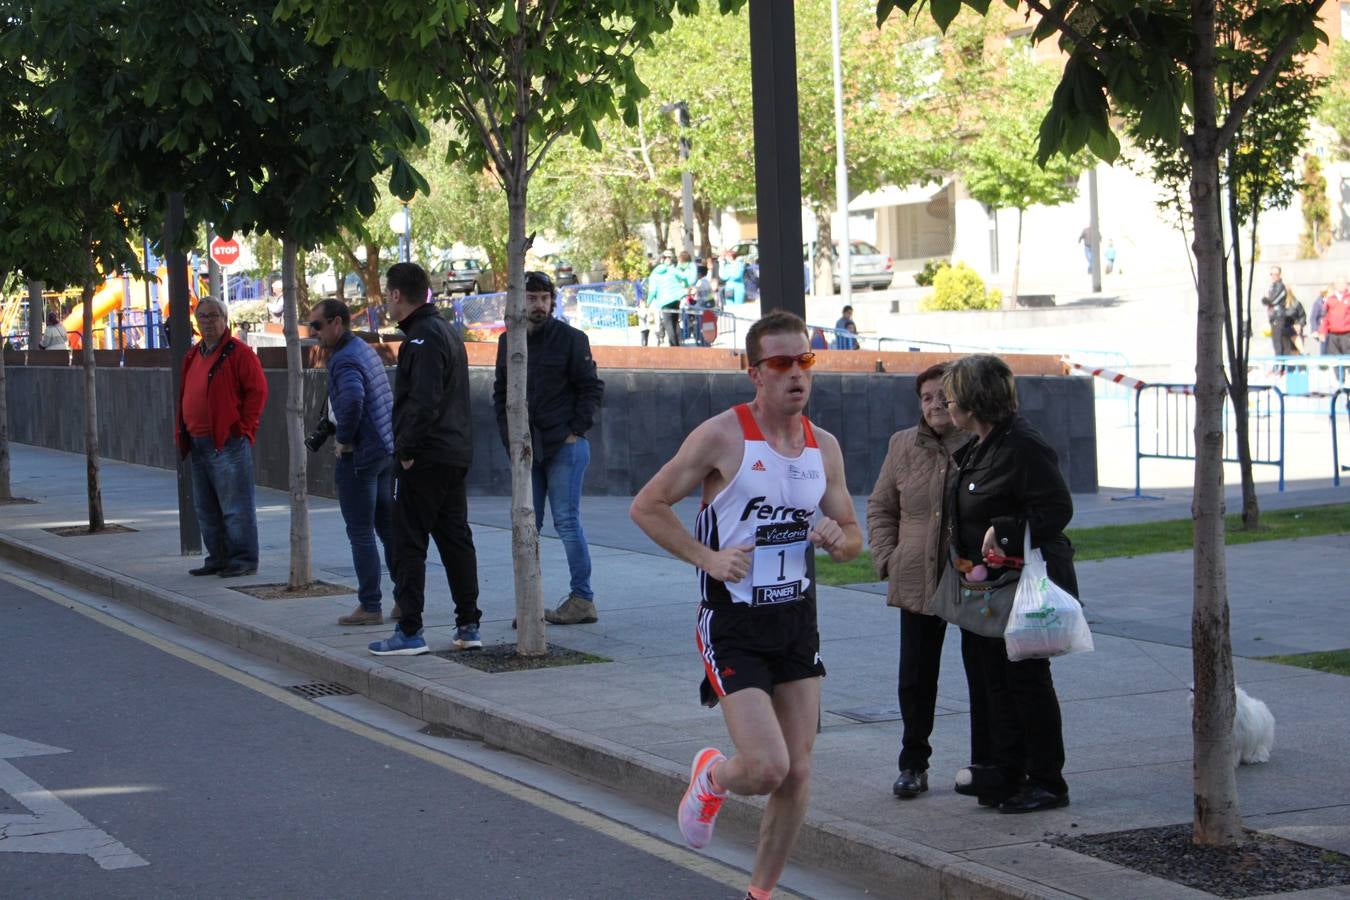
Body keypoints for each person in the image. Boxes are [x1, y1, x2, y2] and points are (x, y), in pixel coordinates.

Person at [629, 311, 862, 900]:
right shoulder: (722, 436)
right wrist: (705, 557)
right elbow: (648, 505)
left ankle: (760, 893)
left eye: (804, 360)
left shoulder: (824, 447)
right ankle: (712, 776)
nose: (795, 374)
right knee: (764, 768)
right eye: (780, 363)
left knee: (799, 771)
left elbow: (853, 535)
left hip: (795, 620)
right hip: (732, 620)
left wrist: (839, 541)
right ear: (753, 371)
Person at [943, 354, 1076, 814]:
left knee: (1025, 681)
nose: (947, 402)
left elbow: (1056, 510)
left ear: (975, 401)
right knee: (990, 681)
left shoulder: (1021, 445)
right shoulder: (983, 443)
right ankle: (1005, 769)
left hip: (1019, 588)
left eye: (953, 395)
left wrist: (1001, 531)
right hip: (986, 589)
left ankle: (1046, 780)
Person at [865, 363, 975, 800]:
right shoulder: (902, 444)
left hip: (972, 580)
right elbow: (880, 506)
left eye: (940, 396)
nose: (933, 405)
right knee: (915, 676)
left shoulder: (979, 441)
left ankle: (985, 763)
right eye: (925, 397)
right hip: (916, 576)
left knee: (982, 674)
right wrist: (888, 558)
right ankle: (913, 764)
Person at [369, 262, 482, 656]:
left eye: (388, 294)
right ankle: (468, 624)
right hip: (453, 453)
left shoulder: (421, 338)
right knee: (455, 539)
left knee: (408, 542)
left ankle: (410, 629)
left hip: (426, 456)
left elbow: (424, 400)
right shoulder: (446, 331)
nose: (386, 300)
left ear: (398, 295)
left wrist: (407, 452)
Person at [494, 271, 605, 625]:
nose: (538, 304)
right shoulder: (507, 341)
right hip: (526, 446)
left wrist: (575, 430)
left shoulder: (572, 339)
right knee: (528, 524)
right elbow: (500, 394)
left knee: (567, 522)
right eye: (531, 297)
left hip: (564, 445)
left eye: (544, 298)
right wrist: (509, 438)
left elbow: (591, 388)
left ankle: (582, 599)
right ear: (518, 301)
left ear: (552, 302)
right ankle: (530, 601)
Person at [308, 299, 397, 627]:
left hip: (361, 456)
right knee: (388, 529)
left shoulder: (343, 360)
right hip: (385, 449)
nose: (314, 333)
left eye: (317, 326)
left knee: (360, 533)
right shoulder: (362, 348)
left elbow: (352, 401)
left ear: (336, 323)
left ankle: (370, 605)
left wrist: (343, 439)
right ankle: (404, 599)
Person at [174, 298, 267, 578]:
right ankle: (218, 557)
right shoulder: (193, 355)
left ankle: (243, 559)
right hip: (198, 441)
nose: (208, 322)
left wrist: (245, 428)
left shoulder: (238, 353)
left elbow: (258, 391)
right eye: (202, 317)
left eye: (213, 316)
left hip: (227, 442)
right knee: (206, 507)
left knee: (235, 506)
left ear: (224, 319)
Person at [646, 249, 687, 347]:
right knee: (675, 321)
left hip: (665, 301)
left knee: (668, 324)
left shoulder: (654, 275)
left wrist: (648, 303)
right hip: (676, 298)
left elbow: (652, 291)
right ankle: (679, 343)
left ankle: (674, 346)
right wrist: (686, 287)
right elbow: (684, 277)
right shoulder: (672, 269)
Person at [1323, 277, 1350, 383]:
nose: (1341, 286)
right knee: (1335, 358)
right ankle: (1340, 381)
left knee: (1347, 356)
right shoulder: (1330, 299)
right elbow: (1325, 316)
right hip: (1333, 334)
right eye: (1338, 283)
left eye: (1343, 283)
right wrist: (1322, 331)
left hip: (1346, 333)